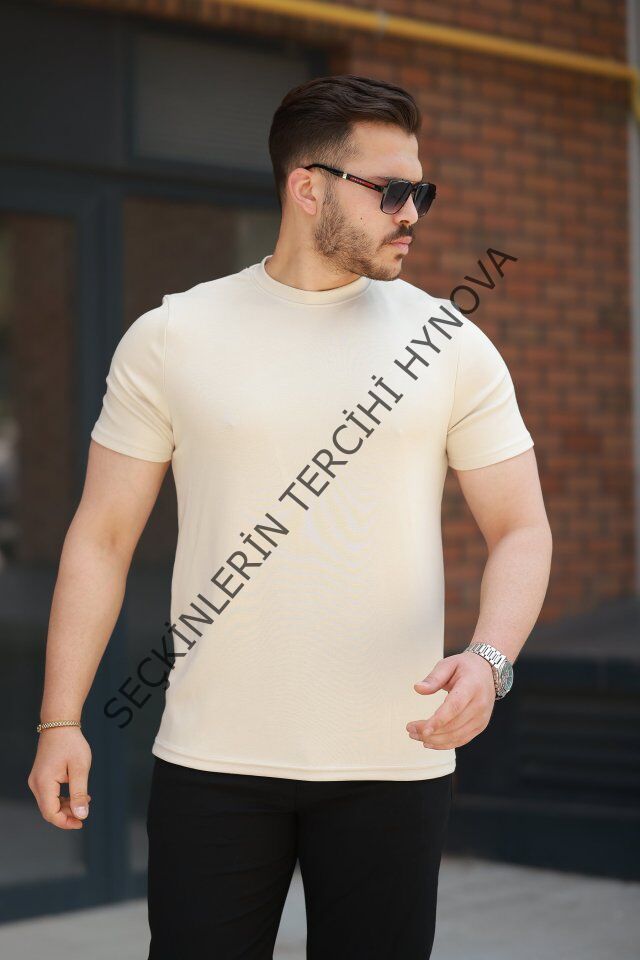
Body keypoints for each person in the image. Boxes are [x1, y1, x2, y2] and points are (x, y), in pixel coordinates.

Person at [27, 74, 552, 959]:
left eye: (421, 191)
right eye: (391, 190)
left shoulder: (451, 344)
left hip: (395, 760)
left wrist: (491, 659)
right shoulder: (173, 335)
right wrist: (59, 720)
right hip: (213, 762)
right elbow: (102, 537)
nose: (411, 213)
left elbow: (521, 529)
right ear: (308, 188)